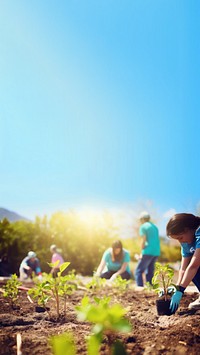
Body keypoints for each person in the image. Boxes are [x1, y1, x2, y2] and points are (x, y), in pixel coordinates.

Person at [166, 213, 200, 313]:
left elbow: (194, 265)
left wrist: (181, 290)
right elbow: (183, 269)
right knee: (189, 272)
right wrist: (177, 287)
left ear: (188, 229)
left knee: (193, 268)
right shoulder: (185, 243)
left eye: (180, 238)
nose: (180, 242)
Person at [134, 211, 160, 287]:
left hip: (147, 251)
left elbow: (143, 239)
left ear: (142, 219)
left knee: (138, 271)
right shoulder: (155, 227)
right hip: (156, 252)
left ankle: (140, 287)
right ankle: (150, 287)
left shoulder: (143, 226)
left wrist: (141, 251)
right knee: (150, 271)